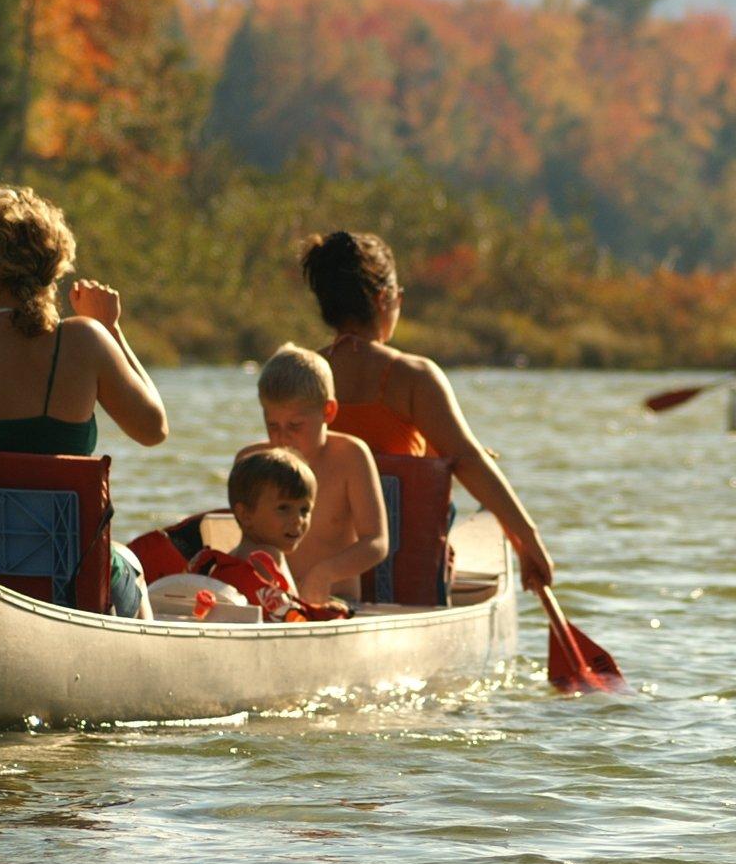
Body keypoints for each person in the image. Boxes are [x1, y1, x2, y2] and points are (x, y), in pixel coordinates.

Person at [0, 186, 168, 617]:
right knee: (129, 566)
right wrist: (112, 329)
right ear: (54, 269)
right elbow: (154, 429)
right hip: (69, 578)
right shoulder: (84, 339)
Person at [301, 230, 555, 591]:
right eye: (399, 298)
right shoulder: (412, 377)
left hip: (315, 569)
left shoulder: (303, 371)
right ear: (384, 298)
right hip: (395, 572)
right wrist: (528, 541)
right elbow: (468, 461)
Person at [237, 344, 388, 605]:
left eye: (295, 425)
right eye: (272, 425)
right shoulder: (252, 460)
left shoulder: (351, 456)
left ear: (328, 412)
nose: (282, 437)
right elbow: (244, 536)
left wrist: (326, 572)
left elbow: (377, 542)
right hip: (271, 602)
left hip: (335, 600)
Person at [189, 448, 348, 622]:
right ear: (246, 515)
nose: (298, 520)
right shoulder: (269, 557)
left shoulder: (232, 558)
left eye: (304, 510)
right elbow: (291, 618)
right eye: (284, 508)